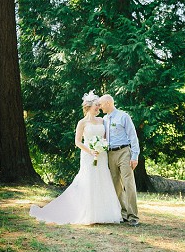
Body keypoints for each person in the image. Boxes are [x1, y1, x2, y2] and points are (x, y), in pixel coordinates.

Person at [29, 91, 122, 225]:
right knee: (88, 180)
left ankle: (103, 214)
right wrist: (90, 151)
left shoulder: (102, 120)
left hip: (101, 155)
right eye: (96, 105)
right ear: (89, 107)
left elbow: (106, 138)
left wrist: (102, 147)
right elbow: (78, 142)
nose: (99, 107)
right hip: (88, 155)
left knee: (102, 179)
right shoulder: (82, 123)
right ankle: (88, 214)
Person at [99, 94, 141, 226]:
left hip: (124, 152)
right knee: (116, 185)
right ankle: (123, 214)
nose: (99, 107)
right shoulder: (104, 119)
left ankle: (133, 216)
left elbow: (133, 136)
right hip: (110, 154)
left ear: (107, 103)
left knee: (128, 183)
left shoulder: (124, 116)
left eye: (100, 104)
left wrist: (135, 156)